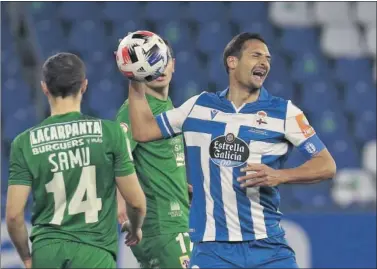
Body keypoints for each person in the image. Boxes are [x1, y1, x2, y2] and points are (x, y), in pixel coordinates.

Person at [125, 32, 337, 268]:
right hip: (212, 250)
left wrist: (280, 175)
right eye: (256, 55)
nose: (264, 62)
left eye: (267, 58)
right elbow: (143, 130)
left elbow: (326, 165)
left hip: (268, 246)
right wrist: (136, 79)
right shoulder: (198, 106)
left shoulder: (285, 112)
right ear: (232, 62)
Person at [6, 52, 146, 269]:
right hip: (95, 252)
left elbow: (14, 216)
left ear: (44, 87)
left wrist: (26, 257)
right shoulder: (110, 133)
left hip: (47, 252)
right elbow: (136, 202)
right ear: (84, 85)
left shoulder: (24, 143)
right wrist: (135, 227)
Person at [116, 39, 192, 269]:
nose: (158, 69)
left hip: (172, 222)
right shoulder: (134, 111)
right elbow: (117, 156)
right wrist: (122, 206)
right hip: (162, 225)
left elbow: (154, 160)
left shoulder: (169, 109)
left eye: (162, 60)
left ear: (173, 65)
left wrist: (180, 185)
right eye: (150, 63)